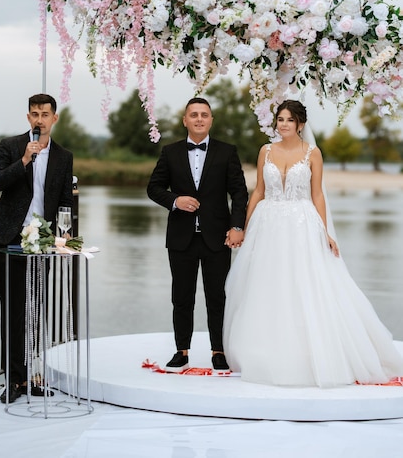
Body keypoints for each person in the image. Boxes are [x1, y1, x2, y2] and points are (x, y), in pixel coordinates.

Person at [223, 99, 403, 387]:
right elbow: (258, 190)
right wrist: (243, 226)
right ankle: (263, 349)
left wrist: (325, 231)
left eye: (289, 120)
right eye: (280, 119)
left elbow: (317, 194)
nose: (283, 125)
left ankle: (305, 351)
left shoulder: (312, 153)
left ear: (300, 124)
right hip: (267, 225)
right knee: (266, 285)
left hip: (301, 223)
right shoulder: (265, 151)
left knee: (302, 283)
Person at [147, 97, 248, 372]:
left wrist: (237, 227)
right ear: (185, 120)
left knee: (217, 297)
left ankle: (219, 351)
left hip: (218, 237)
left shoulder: (227, 152)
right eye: (194, 114)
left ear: (211, 120)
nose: (199, 119)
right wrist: (175, 200)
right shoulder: (170, 152)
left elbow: (239, 192)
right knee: (181, 297)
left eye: (204, 114)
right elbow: (153, 188)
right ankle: (182, 351)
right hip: (181, 238)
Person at [0, 93, 74, 403]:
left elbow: (65, 201)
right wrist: (23, 161)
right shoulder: (12, 147)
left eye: (44, 114)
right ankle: (14, 382)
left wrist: (63, 236)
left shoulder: (64, 157)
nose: (39, 120)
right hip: (8, 240)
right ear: (28, 118)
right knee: (12, 312)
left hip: (43, 242)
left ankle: (34, 377)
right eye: (34, 114)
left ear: (54, 118)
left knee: (36, 311)